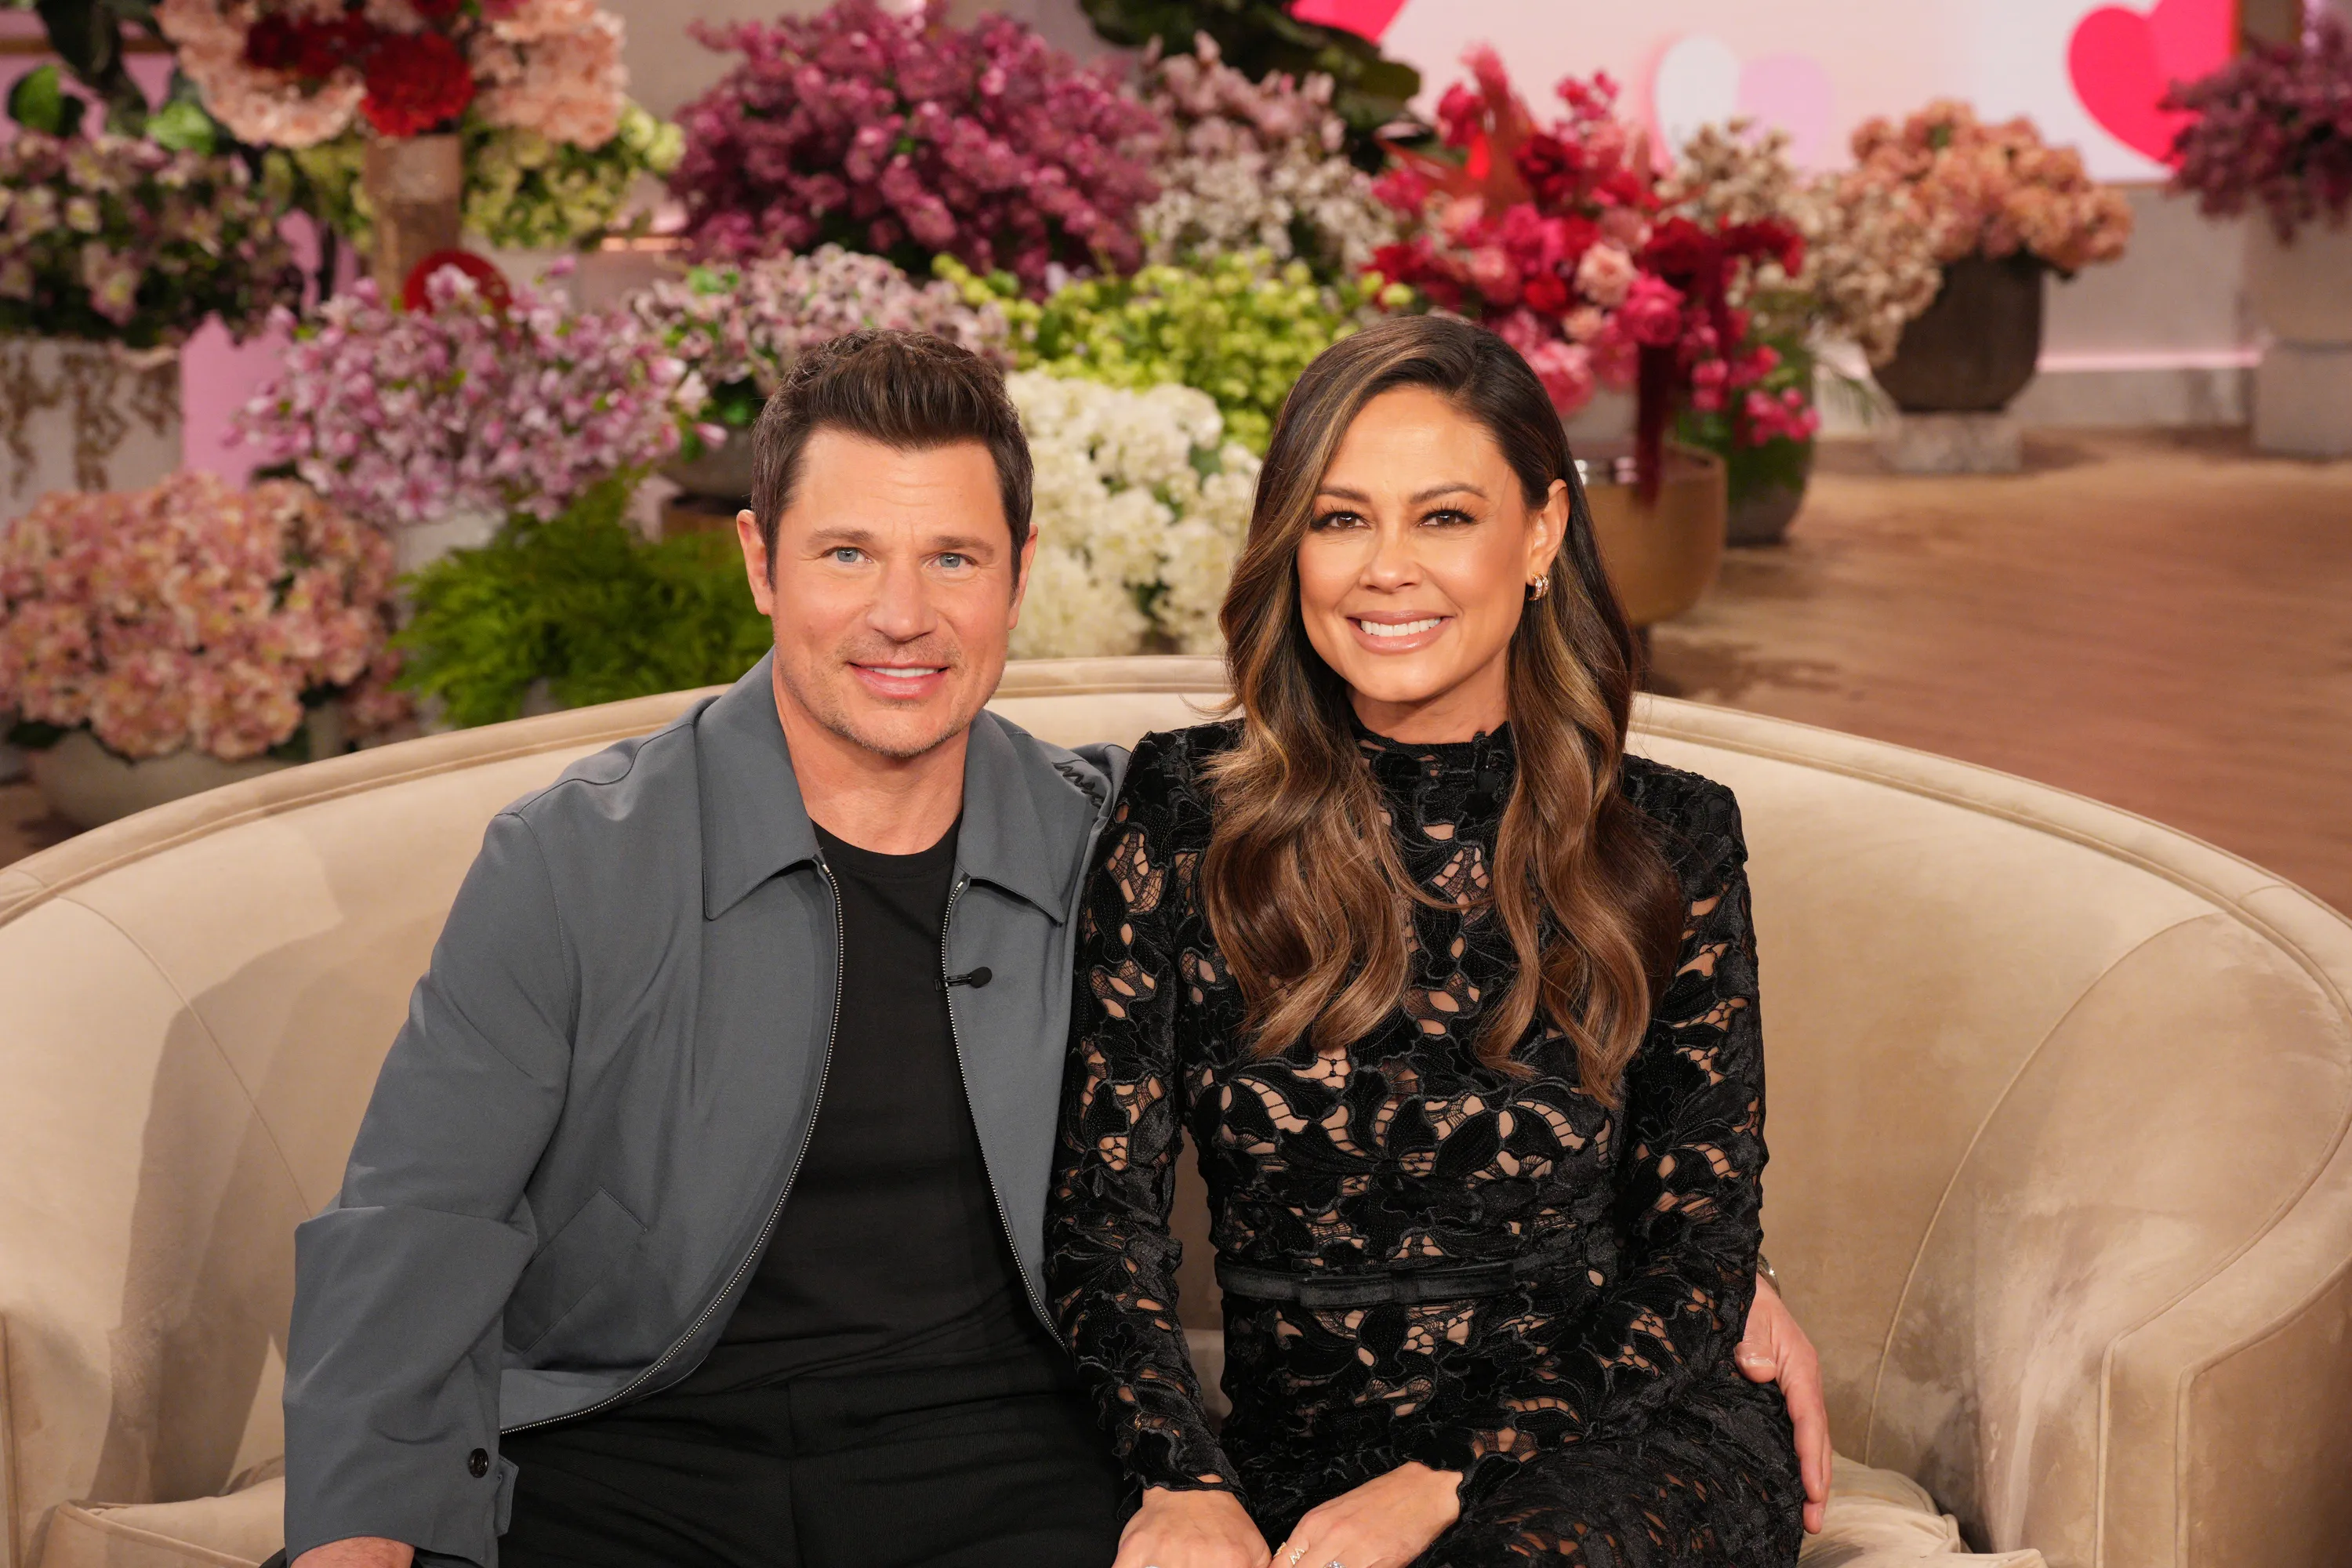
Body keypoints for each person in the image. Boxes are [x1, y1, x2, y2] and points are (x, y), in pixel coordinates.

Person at [277, 327, 1827, 1568]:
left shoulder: (1106, 831)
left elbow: (1529, 1081)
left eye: (953, 558)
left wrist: (1709, 1277)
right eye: (844, 557)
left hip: (998, 1467)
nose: (902, 615)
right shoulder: (581, 858)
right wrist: (359, 1534)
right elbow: (414, 1225)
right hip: (643, 1456)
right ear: (758, 565)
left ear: (1020, 575)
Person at [1048, 314, 1812, 1568]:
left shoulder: (1670, 837)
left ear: (1544, 533)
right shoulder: (1186, 813)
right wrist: (1179, 1479)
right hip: (1300, 1455)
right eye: (1341, 519)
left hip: (1611, 1443)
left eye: (1445, 517)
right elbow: (1100, 1220)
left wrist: (1445, 1478)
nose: (1384, 568)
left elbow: (1702, 1255)